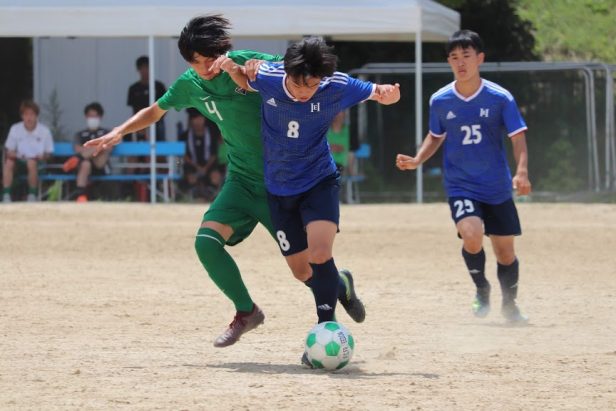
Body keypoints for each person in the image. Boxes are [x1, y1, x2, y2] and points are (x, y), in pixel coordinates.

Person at [84, 15, 366, 349]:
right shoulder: (190, 84)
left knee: (305, 273)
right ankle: (247, 311)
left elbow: (302, 72)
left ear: (222, 50)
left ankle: (340, 285)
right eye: (194, 61)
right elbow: (156, 110)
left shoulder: (250, 64)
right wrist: (117, 131)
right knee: (205, 242)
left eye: (208, 59)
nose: (203, 68)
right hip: (240, 180)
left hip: (283, 183)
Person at [217, 36, 400, 365]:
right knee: (301, 271)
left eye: (313, 85)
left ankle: (325, 327)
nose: (305, 93)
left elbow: (376, 91)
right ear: (287, 73)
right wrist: (233, 68)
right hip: (279, 188)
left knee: (320, 252)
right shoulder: (270, 77)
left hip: (319, 181)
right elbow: (246, 77)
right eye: (300, 85)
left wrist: (388, 94)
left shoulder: (336, 86)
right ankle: (341, 284)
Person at [395, 30, 531, 323]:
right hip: (461, 185)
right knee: (471, 235)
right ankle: (482, 288)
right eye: (454, 57)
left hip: (496, 185)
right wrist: (418, 159)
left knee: (505, 252)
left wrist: (521, 171)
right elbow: (435, 135)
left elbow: (517, 137)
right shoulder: (441, 100)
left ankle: (510, 304)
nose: (460, 62)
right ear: (449, 62)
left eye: (466, 56)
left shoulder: (499, 98)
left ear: (480, 58)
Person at [2, 100, 54, 202]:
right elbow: (8, 149)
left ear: (36, 116)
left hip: (38, 163)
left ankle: (32, 195)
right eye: (26, 114)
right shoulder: (15, 129)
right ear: (22, 116)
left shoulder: (45, 131)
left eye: (32, 114)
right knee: (8, 163)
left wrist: (43, 156)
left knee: (31, 163)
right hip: (19, 161)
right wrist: (12, 153)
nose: (29, 117)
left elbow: (50, 154)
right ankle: (6, 195)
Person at [62, 102, 111, 202]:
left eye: (95, 115)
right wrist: (97, 148)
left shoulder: (107, 133)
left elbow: (108, 147)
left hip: (100, 165)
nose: (92, 118)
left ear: (100, 117)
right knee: (85, 163)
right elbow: (77, 148)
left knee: (102, 150)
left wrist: (89, 151)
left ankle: (77, 158)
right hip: (84, 167)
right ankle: (81, 196)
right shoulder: (80, 134)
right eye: (90, 116)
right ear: (86, 117)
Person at [179, 108, 223, 201]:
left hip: (208, 165)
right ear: (191, 121)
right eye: (195, 119)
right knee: (191, 177)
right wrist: (197, 167)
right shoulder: (185, 136)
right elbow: (184, 156)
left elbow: (213, 154)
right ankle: (194, 197)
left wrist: (205, 168)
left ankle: (212, 197)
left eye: (200, 119)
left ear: (204, 119)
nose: (198, 122)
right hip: (192, 165)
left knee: (216, 176)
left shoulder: (212, 134)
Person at [126, 56, 167, 142]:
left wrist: (154, 120)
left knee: (159, 140)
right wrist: (141, 123)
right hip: (139, 121)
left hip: (157, 121)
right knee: (130, 135)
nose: (145, 71)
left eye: (147, 68)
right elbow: (134, 109)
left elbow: (166, 107)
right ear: (138, 70)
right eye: (142, 68)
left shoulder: (159, 86)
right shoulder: (133, 88)